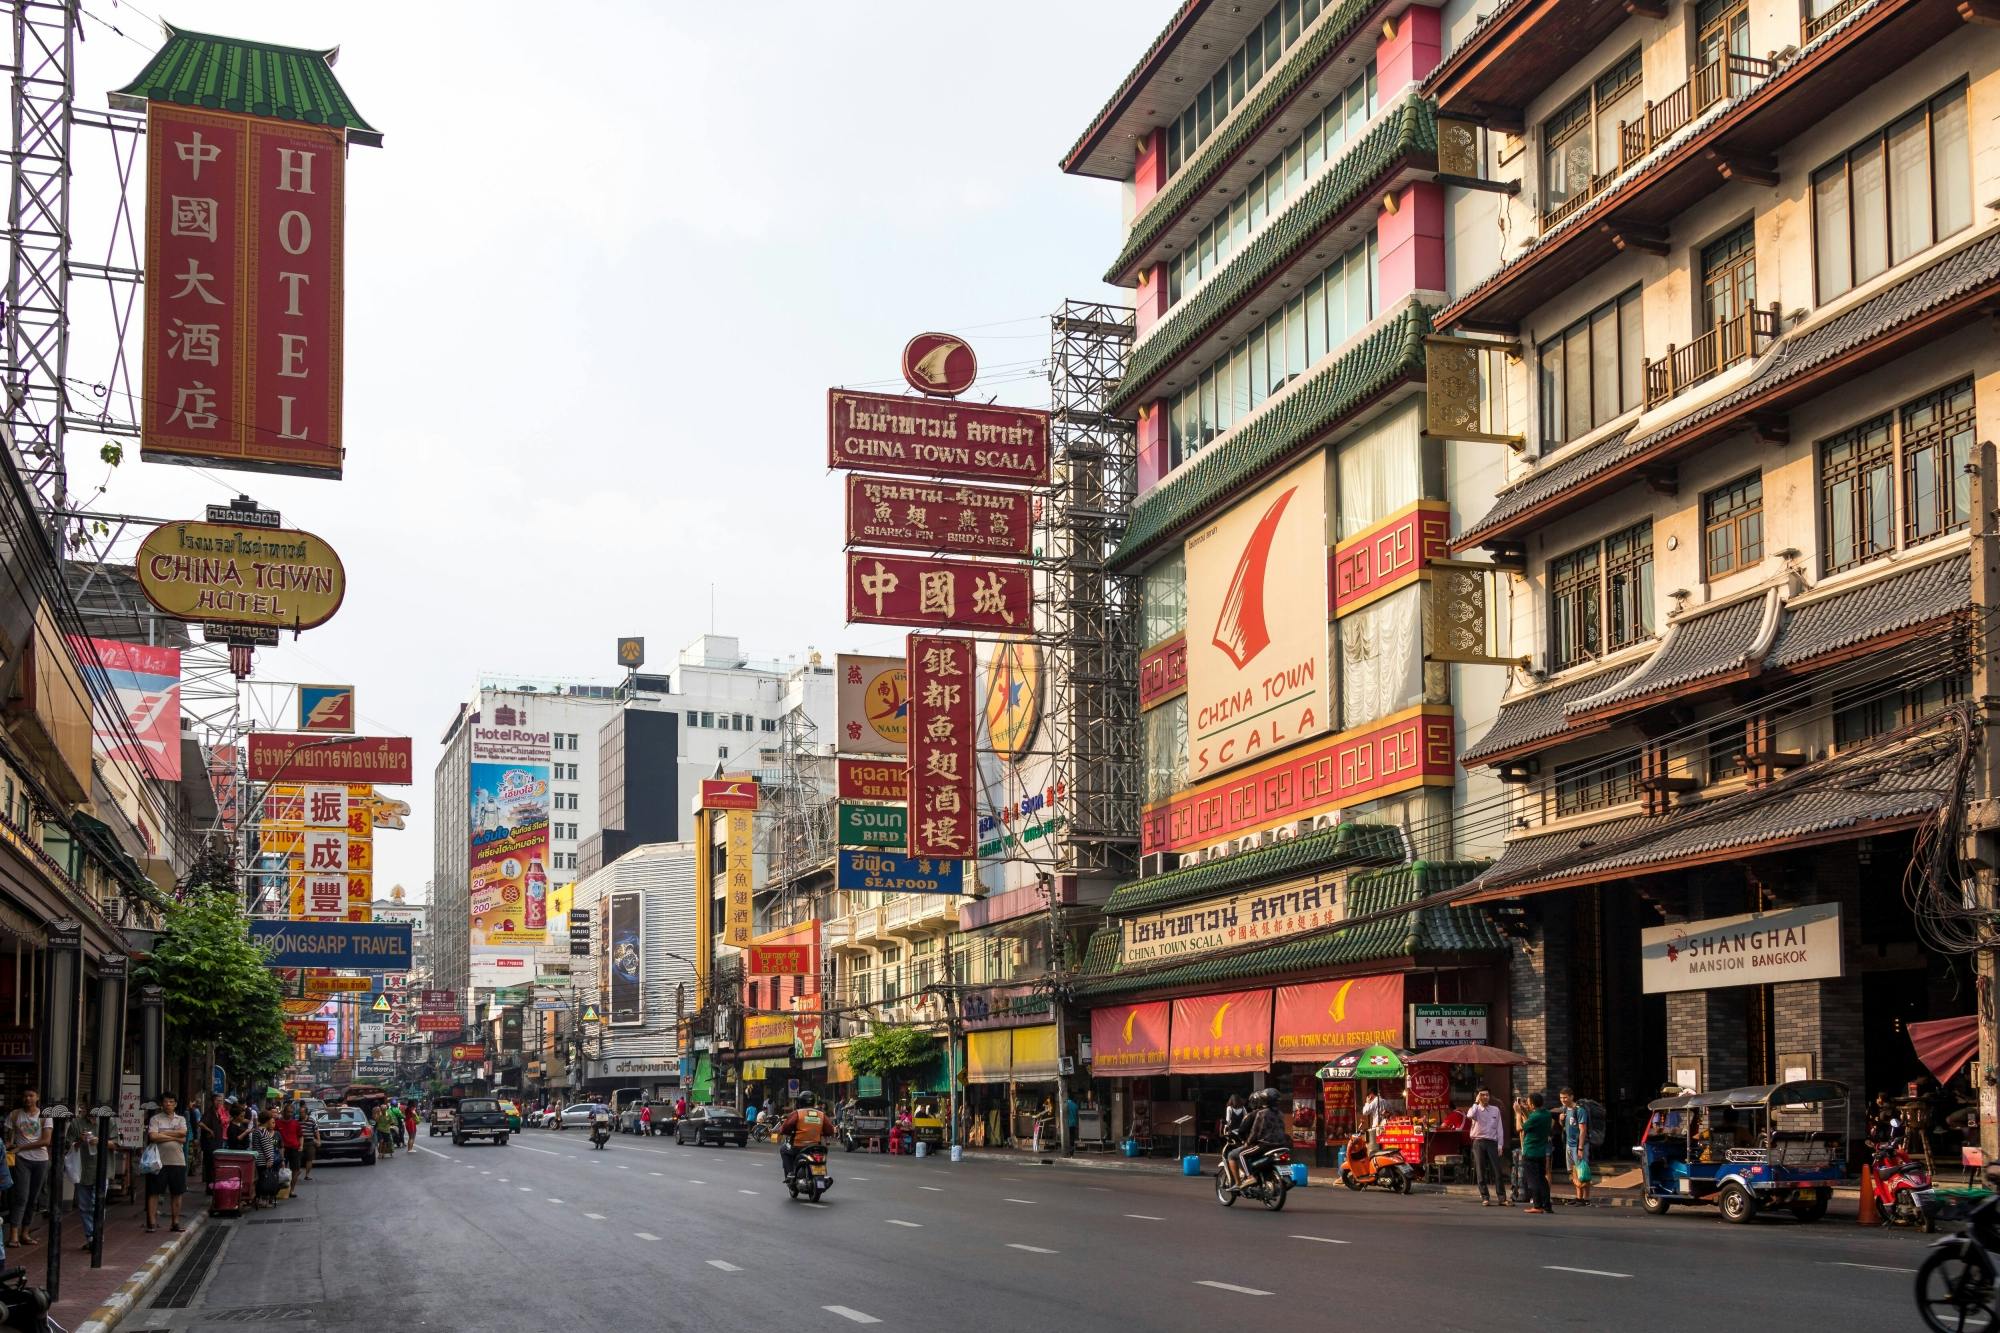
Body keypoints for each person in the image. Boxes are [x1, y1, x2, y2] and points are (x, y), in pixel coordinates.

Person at [6, 1089, 49, 1248]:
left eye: (31, 1095)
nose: (27, 1098)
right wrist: (9, 1146)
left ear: (37, 1097)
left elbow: (46, 1141)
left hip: (40, 1160)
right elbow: (9, 1138)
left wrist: (21, 1147)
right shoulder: (15, 1115)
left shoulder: (45, 1115)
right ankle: (14, 1234)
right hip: (21, 1160)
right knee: (21, 1196)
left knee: (33, 1198)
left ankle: (25, 1232)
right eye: (24, 1096)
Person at [144, 1092, 189, 1232]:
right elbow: (153, 1136)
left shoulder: (181, 1119)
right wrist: (174, 1135)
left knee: (177, 1192)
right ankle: (151, 1223)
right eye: (165, 1101)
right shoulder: (155, 1119)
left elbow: (183, 1135)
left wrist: (162, 1134)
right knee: (154, 1192)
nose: (168, 1104)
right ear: (161, 1104)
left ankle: (175, 1223)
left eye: (171, 1101)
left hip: (178, 1161)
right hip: (158, 1162)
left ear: (175, 1104)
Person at [1465, 1088, 1507, 1206]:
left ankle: (1502, 1198)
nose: (1485, 1097)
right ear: (1478, 1096)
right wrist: (1476, 1102)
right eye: (1482, 1095)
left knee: (1497, 1170)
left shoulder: (1495, 1110)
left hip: (1492, 1142)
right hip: (1478, 1142)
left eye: (1487, 1095)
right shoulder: (1475, 1109)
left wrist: (1500, 1144)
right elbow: (1469, 1115)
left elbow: (1499, 1128)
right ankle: (1485, 1197)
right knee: (1480, 1170)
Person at [777, 1092, 829, 1182]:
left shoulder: (797, 1113)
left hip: (798, 1147)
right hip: (817, 1147)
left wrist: (784, 1131)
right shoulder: (821, 1114)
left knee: (783, 1149)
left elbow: (785, 1128)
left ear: (800, 1102)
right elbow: (830, 1130)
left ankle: (790, 1174)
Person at [1518, 1092, 1554, 1215]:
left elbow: (1520, 1127)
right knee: (1542, 1179)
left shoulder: (1535, 1116)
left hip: (1530, 1151)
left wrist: (1518, 1114)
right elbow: (1532, 1121)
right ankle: (1547, 1205)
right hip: (1541, 1152)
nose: (1527, 1104)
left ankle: (1537, 1205)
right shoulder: (1546, 1114)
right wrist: (1524, 1111)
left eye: (1528, 1102)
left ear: (1532, 1104)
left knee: (1533, 1181)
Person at [67, 1117, 99, 1251]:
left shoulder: (109, 1121)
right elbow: (68, 1145)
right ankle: (91, 1238)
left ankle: (97, 1236)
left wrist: (100, 1141)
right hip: (81, 1169)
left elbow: (116, 1143)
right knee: (85, 1206)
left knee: (96, 1203)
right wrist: (80, 1140)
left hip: (101, 1169)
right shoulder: (76, 1124)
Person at [1559, 1088, 1593, 1205]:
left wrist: (1580, 1148)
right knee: (1574, 1171)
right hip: (1569, 1144)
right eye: (1561, 1098)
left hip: (1579, 1145)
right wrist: (1560, 1120)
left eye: (1565, 1097)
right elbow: (1564, 1126)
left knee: (1583, 1171)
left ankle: (1586, 1198)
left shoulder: (1579, 1110)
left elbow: (1583, 1130)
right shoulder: (1564, 1109)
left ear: (1572, 1097)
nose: (1563, 1100)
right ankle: (1579, 1197)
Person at [250, 1110, 281, 1209]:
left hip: (257, 1159)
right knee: (265, 1181)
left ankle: (260, 1199)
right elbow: (267, 1148)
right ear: (267, 1121)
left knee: (261, 1180)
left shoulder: (256, 1131)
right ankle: (264, 1200)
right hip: (264, 1161)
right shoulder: (264, 1132)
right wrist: (270, 1160)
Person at [1220, 1094, 1251, 1186]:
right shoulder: (1243, 1108)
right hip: (1242, 1133)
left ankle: (1238, 1170)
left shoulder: (1229, 1108)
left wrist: (1225, 1129)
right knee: (1242, 1148)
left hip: (1233, 1133)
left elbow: (1228, 1121)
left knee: (1231, 1152)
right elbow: (1246, 1118)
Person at [277, 1103, 304, 1188]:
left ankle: (292, 1190)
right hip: (282, 1149)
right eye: (288, 1112)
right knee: (281, 1169)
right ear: (284, 1112)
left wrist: (301, 1146)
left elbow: (300, 1136)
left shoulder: (295, 1123)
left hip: (294, 1149)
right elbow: (273, 1136)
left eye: (291, 1112)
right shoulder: (277, 1123)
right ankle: (281, 1189)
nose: (290, 1114)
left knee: (296, 1170)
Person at [297, 1102, 318, 1184]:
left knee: (309, 1159)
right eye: (300, 1112)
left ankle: (307, 1175)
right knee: (298, 1159)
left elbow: (316, 1131)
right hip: (299, 1143)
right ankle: (297, 1172)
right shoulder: (297, 1121)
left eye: (302, 1112)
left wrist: (318, 1140)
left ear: (306, 1113)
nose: (301, 1114)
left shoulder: (311, 1120)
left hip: (310, 1142)